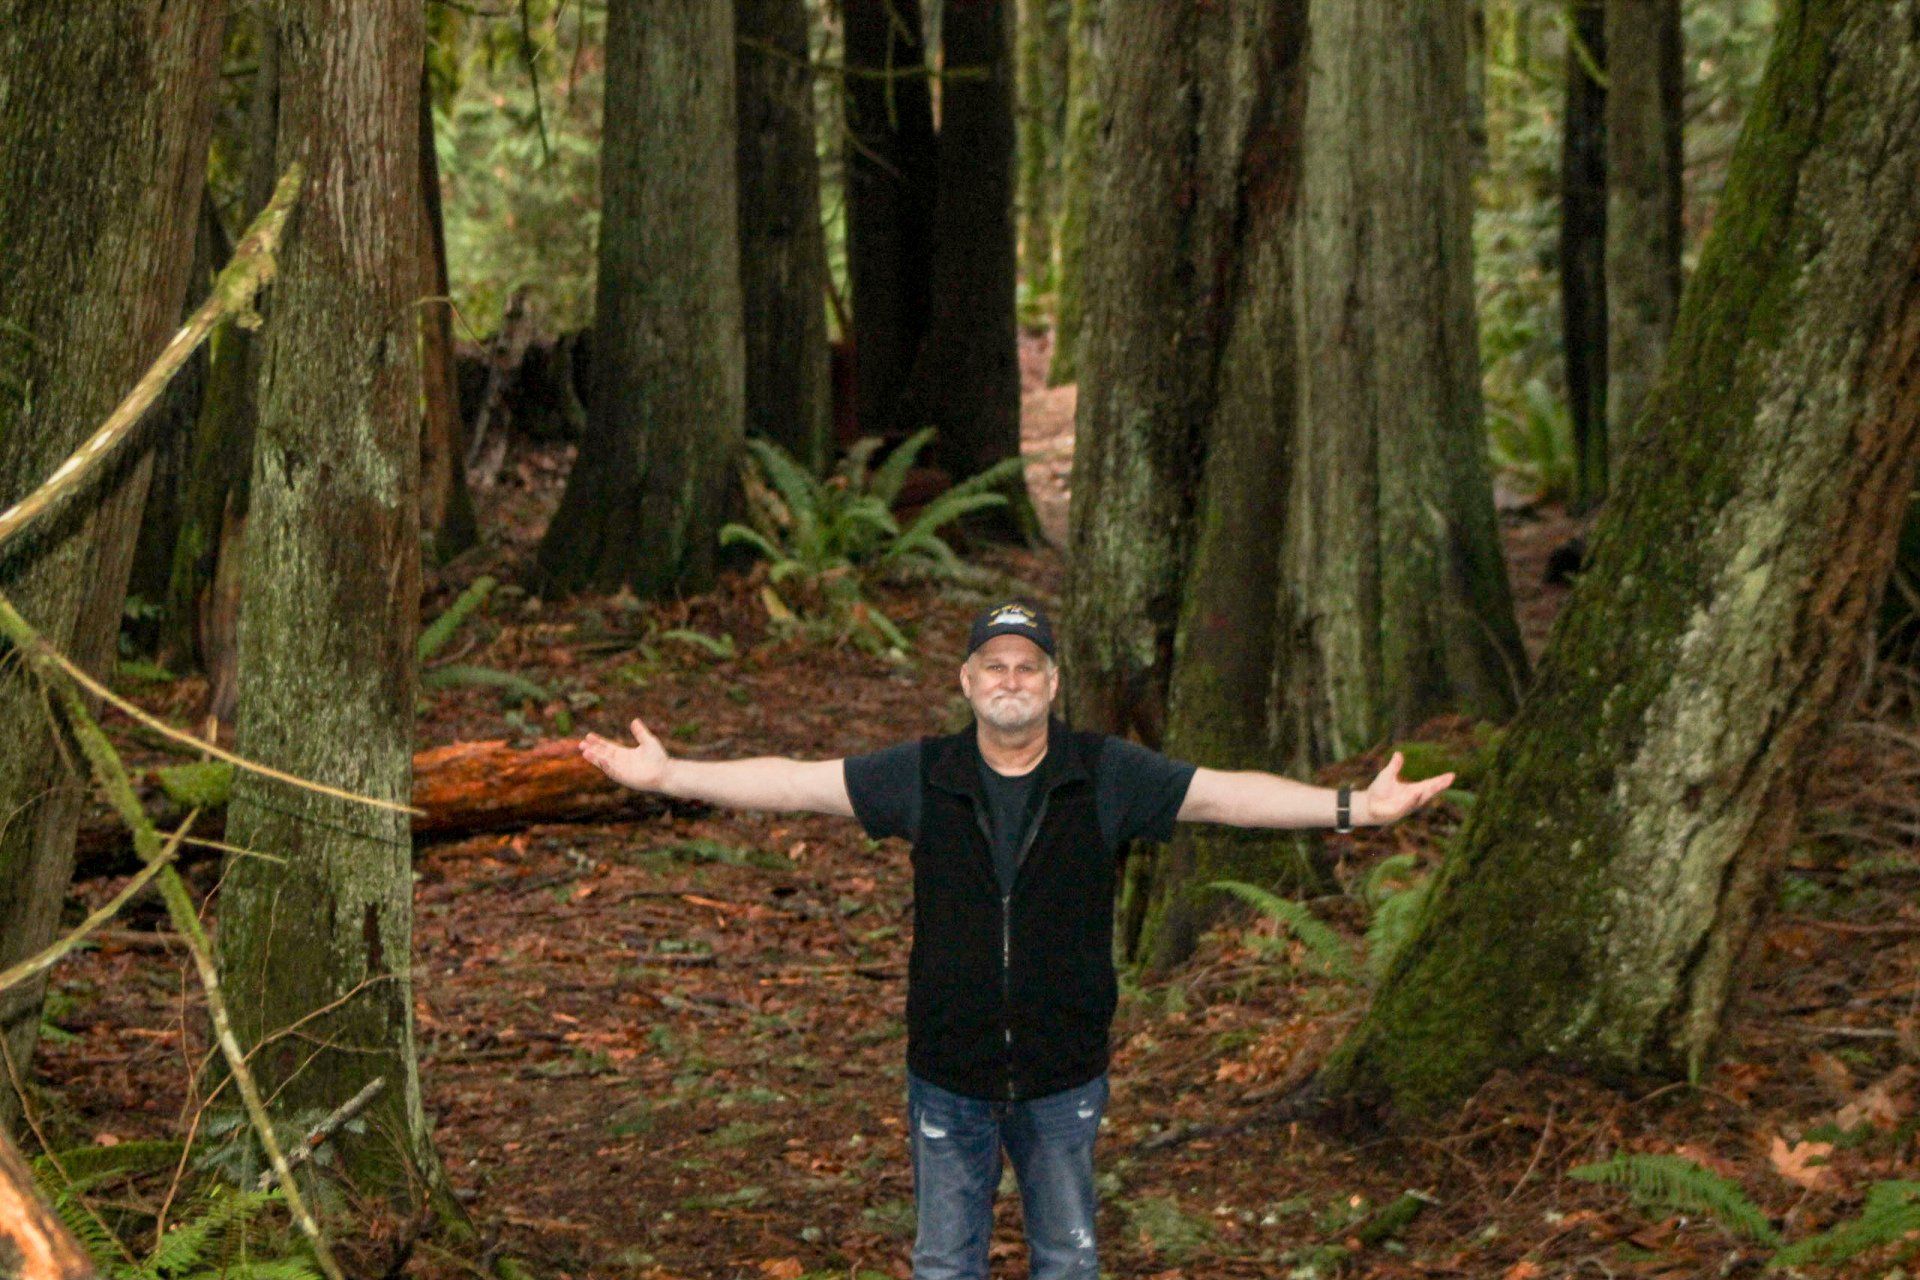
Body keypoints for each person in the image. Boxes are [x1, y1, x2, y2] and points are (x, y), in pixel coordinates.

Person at [578, 601, 1454, 1280]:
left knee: (1068, 1262)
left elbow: (1224, 796)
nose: (1010, 679)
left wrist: (1354, 810)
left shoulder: (1105, 773)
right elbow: (799, 784)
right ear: (966, 683)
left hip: (1063, 1074)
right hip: (947, 1074)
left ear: (1051, 683)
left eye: (1027, 666)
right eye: (993, 665)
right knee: (944, 1265)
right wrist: (671, 777)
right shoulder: (924, 774)